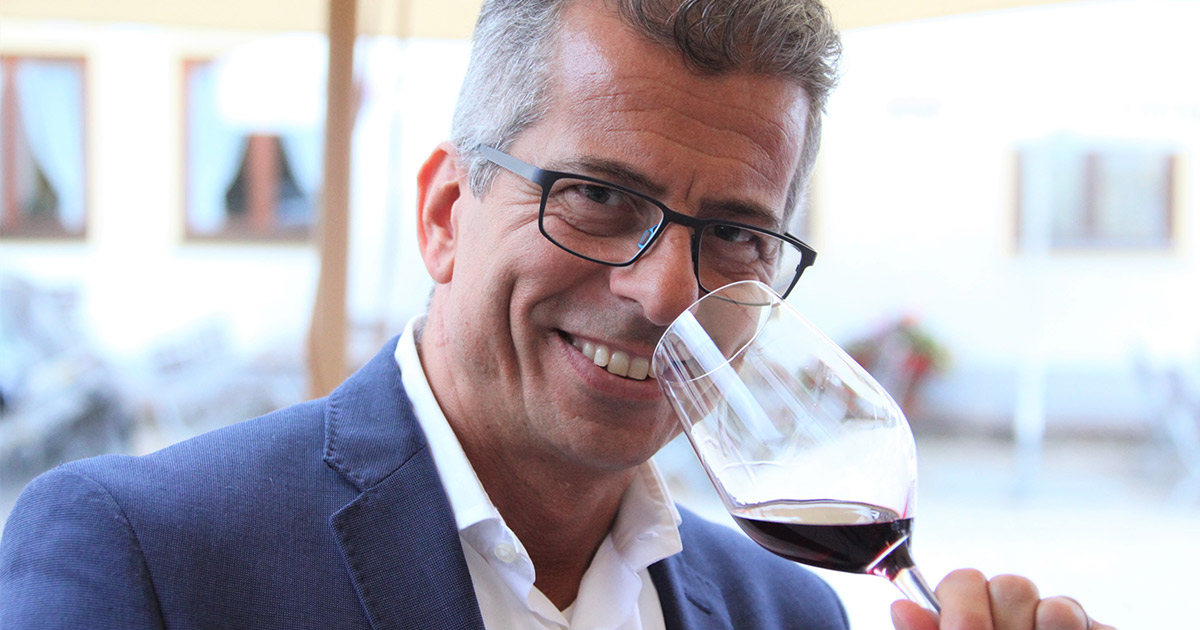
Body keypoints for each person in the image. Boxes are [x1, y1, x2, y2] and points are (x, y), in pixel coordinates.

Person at [1, 1, 1112, 628]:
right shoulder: (145, 556)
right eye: (599, 197)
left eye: (736, 232)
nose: (665, 292)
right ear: (446, 213)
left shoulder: (785, 613)